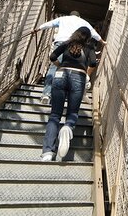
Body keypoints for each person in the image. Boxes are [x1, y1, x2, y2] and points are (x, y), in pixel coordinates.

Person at [41, 26, 97, 161]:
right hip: (79, 77)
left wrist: (60, 66)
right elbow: (93, 63)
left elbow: (52, 56)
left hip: (61, 74)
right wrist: (86, 74)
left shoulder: (67, 44)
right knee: (72, 113)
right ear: (88, 38)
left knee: (55, 114)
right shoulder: (89, 48)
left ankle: (48, 152)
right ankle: (68, 127)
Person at [32, 11, 105, 104]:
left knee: (53, 68)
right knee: (74, 69)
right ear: (79, 16)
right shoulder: (83, 22)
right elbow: (93, 33)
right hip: (75, 45)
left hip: (60, 43)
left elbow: (49, 24)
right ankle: (68, 97)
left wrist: (37, 29)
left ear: (70, 15)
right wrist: (102, 41)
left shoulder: (62, 19)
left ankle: (46, 94)